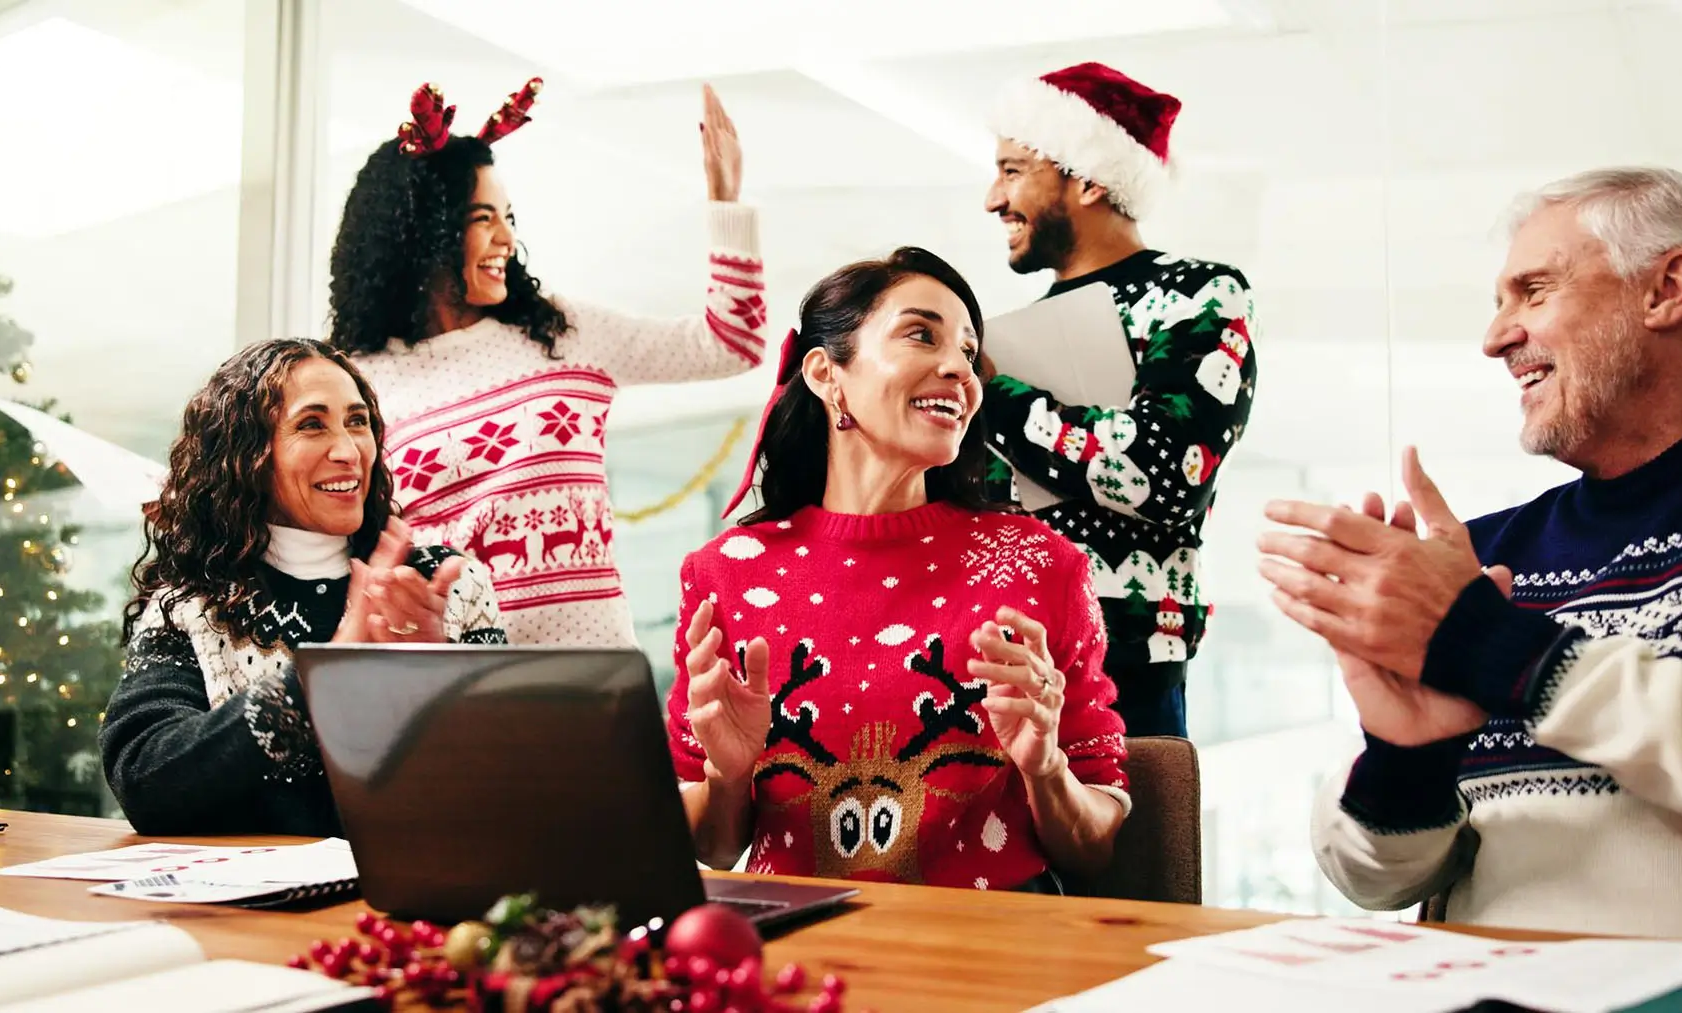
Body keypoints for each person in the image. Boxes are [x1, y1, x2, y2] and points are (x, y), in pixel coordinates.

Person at [1258, 168, 1682, 946]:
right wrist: (1406, 757)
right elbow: (1375, 879)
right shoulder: (1484, 557)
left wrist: (1507, 654)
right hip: (1478, 987)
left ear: (1667, 289)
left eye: (1533, 292)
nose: (1495, 338)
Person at [666, 247, 1129, 892]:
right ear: (826, 374)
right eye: (921, 334)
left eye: (969, 352)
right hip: (806, 944)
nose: (961, 370)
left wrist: (1046, 768)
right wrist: (729, 774)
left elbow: (1095, 851)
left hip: (995, 945)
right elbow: (715, 849)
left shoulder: (1041, 564)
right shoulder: (723, 574)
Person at [327, 78, 768, 647]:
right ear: (422, 233)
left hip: (594, 673)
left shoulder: (560, 332)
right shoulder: (361, 384)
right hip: (454, 678)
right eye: (482, 218)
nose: (506, 238)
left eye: (507, 217)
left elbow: (732, 342)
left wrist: (725, 202)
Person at [102, 339, 506, 836]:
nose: (348, 451)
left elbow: (508, 790)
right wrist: (326, 678)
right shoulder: (191, 606)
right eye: (312, 424)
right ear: (245, 455)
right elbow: (143, 781)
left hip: (416, 886)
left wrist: (436, 685)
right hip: (253, 891)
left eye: (357, 422)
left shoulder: (449, 584)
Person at [980, 62, 1257, 737]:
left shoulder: (1199, 295)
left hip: (1127, 671)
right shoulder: (1009, 340)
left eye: (1013, 170)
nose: (993, 199)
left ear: (1088, 178)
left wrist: (988, 395)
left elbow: (1161, 473)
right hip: (1003, 664)